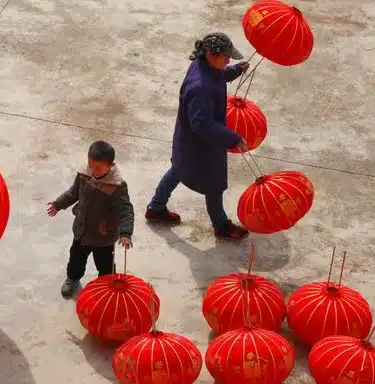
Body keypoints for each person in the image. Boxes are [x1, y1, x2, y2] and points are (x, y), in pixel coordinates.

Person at [145, 32, 252, 241]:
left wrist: (236, 70)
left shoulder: (202, 65)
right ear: (211, 54)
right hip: (203, 143)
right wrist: (233, 138)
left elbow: (217, 76)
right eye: (226, 58)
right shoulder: (200, 87)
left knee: (178, 168)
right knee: (214, 184)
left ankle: (156, 207)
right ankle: (221, 225)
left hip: (188, 141)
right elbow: (202, 124)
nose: (228, 61)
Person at [47, 141, 135, 298]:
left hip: (104, 236)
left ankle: (107, 285)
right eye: (90, 165)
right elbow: (73, 193)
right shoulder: (83, 175)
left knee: (106, 265)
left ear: (111, 165)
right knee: (76, 259)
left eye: (98, 168)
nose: (93, 170)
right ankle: (72, 279)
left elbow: (125, 210)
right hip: (82, 230)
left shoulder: (117, 186)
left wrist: (126, 233)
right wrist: (58, 204)